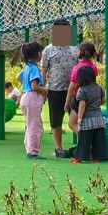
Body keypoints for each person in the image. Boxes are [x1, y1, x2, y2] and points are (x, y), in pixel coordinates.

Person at [40, 18, 79, 158]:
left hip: (73, 91)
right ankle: (59, 148)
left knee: (76, 119)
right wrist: (42, 89)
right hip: (55, 90)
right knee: (55, 120)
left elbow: (80, 68)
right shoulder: (48, 50)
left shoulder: (75, 49)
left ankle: (83, 146)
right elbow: (43, 70)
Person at [18, 41, 48, 160]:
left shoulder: (27, 67)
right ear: (38, 54)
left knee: (30, 124)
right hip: (32, 98)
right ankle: (32, 152)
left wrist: (25, 85)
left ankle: (29, 148)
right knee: (36, 127)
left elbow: (18, 78)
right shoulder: (35, 69)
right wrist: (46, 90)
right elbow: (35, 86)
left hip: (25, 97)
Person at [70, 65, 107, 163]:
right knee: (98, 140)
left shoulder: (82, 90)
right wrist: (96, 104)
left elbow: (82, 104)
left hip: (87, 120)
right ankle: (97, 158)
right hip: (99, 119)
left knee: (84, 139)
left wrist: (79, 118)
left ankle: (79, 158)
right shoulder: (98, 87)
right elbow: (104, 99)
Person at [66, 41, 100, 134]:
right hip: (91, 98)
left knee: (72, 123)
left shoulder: (77, 68)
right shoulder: (93, 67)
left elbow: (72, 87)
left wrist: (67, 101)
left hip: (79, 98)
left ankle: (85, 141)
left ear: (81, 51)